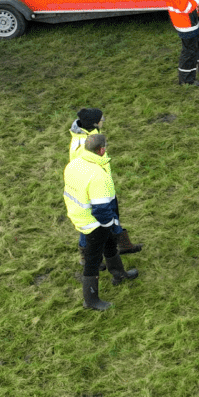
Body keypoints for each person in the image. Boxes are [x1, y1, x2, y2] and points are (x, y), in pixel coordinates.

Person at [62, 130, 139, 311]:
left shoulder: (74, 164)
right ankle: (91, 301)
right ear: (102, 150)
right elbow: (102, 210)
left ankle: (119, 274)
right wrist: (112, 225)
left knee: (110, 245)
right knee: (93, 260)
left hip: (79, 214)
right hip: (94, 224)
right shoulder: (99, 176)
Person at [68, 108, 140, 254]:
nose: (103, 121)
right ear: (95, 124)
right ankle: (89, 255)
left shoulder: (86, 135)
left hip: (99, 184)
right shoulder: (85, 143)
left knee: (111, 215)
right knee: (90, 225)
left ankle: (123, 244)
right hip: (94, 188)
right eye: (102, 119)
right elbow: (87, 168)